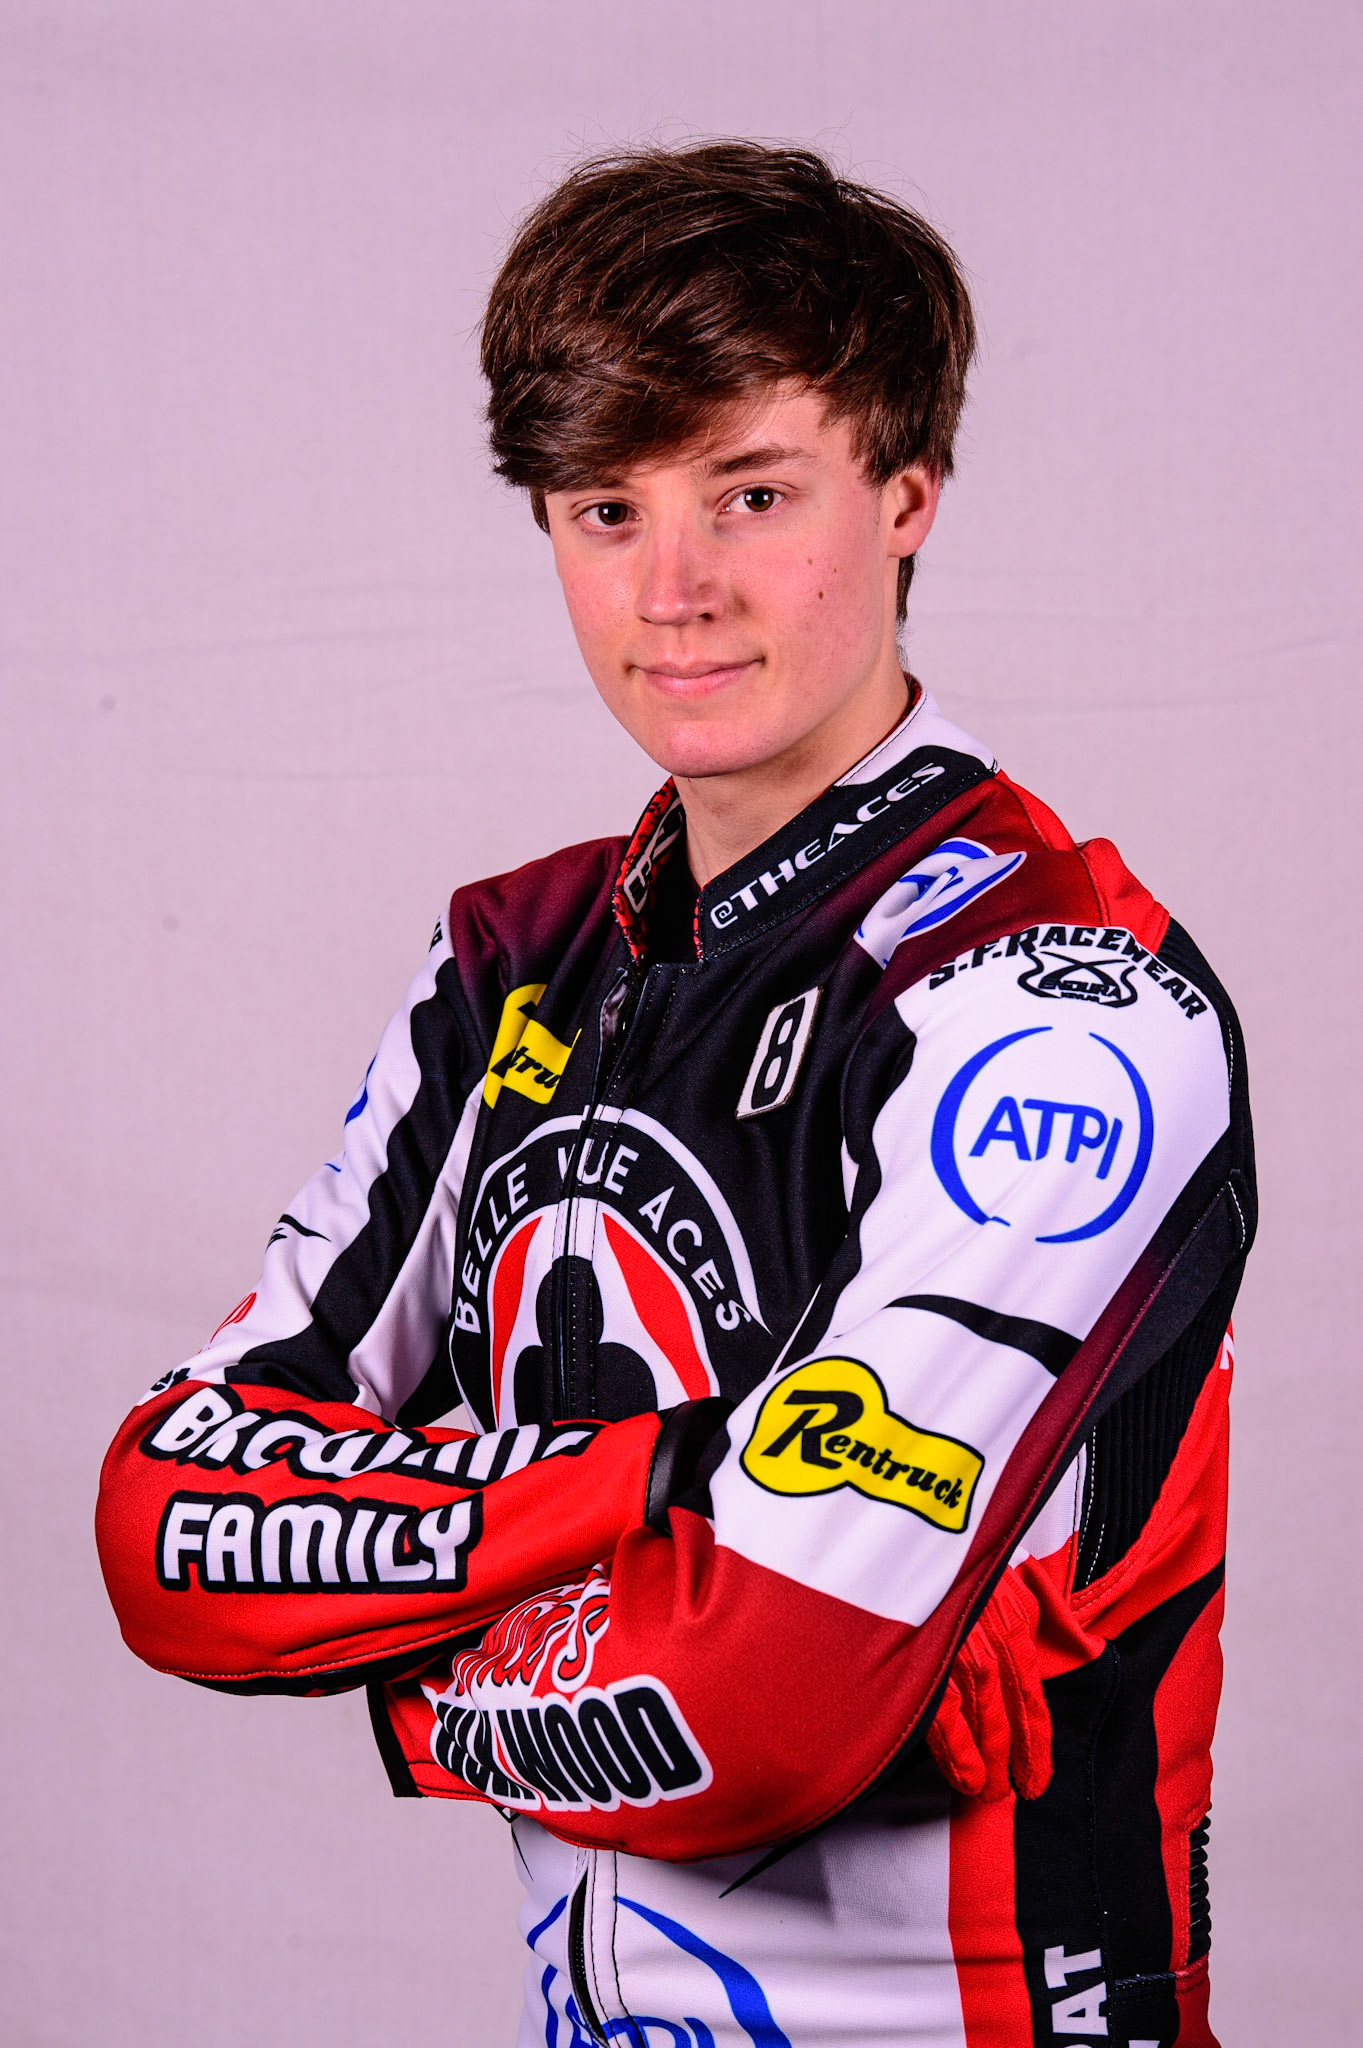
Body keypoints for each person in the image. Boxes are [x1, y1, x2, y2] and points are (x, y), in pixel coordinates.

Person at [96, 142, 1254, 2048]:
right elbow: (163, 1525)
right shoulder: (514, 964)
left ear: (908, 495)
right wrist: (655, 1492)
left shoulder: (1060, 1005)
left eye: (753, 492)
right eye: (606, 507)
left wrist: (402, 1652)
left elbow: (746, 1713)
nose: (677, 589)